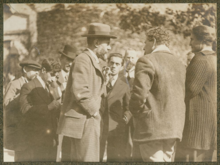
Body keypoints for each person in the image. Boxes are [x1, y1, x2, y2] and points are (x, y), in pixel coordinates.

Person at [57, 23, 116, 162]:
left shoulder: (92, 61)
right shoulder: (82, 60)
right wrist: (95, 112)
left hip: (88, 119)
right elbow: (81, 91)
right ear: (96, 42)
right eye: (107, 44)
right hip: (85, 121)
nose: (109, 48)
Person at [129, 27, 186, 162]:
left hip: (152, 127)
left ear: (153, 41)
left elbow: (139, 94)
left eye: (145, 42)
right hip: (174, 127)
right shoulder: (180, 63)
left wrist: (136, 112)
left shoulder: (146, 60)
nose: (143, 47)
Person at [175, 25, 217, 162]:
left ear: (201, 40)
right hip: (207, 128)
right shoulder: (214, 58)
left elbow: (190, 89)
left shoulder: (200, 58)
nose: (190, 43)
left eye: (192, 39)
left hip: (196, 130)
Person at [19, 58, 62, 161]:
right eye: (51, 74)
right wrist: (47, 107)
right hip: (37, 140)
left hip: (52, 138)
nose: (53, 79)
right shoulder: (28, 86)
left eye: (55, 76)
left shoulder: (51, 86)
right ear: (43, 70)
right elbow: (24, 110)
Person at [4, 60, 41, 161]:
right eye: (34, 70)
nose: (37, 72)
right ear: (25, 69)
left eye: (38, 70)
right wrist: (21, 96)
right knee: (21, 157)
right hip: (20, 130)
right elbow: (6, 104)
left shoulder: (35, 85)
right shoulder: (15, 84)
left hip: (32, 129)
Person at [106, 53, 132, 162]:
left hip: (116, 129)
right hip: (98, 126)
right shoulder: (99, 82)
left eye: (117, 64)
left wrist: (125, 118)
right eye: (111, 63)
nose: (113, 66)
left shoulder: (125, 86)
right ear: (108, 63)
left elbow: (129, 107)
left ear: (121, 67)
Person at [57, 45, 78, 161]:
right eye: (67, 60)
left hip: (70, 123)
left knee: (68, 155)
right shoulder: (53, 77)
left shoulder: (76, 78)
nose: (70, 63)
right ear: (61, 58)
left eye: (72, 60)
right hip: (55, 121)